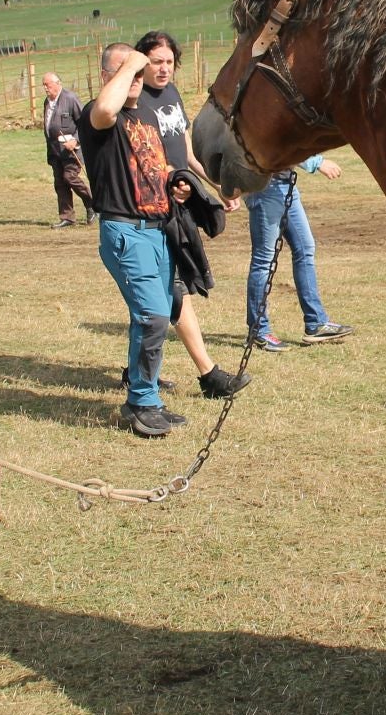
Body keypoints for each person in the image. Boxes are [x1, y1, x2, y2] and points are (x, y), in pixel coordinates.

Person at [129, 30, 249, 399]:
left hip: (179, 201)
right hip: (150, 208)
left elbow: (184, 152)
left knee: (158, 294)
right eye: (156, 62)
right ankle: (209, 374)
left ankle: (136, 372)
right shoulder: (134, 102)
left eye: (169, 62)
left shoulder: (171, 95)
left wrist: (214, 187)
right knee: (173, 290)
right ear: (140, 63)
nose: (164, 69)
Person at [78, 43, 186, 437]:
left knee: (155, 314)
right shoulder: (97, 114)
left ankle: (148, 395)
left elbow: (156, 168)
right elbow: (107, 109)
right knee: (153, 316)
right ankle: (141, 402)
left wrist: (177, 186)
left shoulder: (145, 117)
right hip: (126, 232)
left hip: (158, 231)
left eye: (140, 73)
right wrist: (133, 63)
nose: (137, 78)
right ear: (107, 76)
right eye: (127, 71)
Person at [247, 156, 354, 352]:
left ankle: (316, 324)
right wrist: (317, 163)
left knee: (305, 249)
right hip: (265, 187)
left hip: (286, 186)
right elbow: (285, 142)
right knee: (264, 260)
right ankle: (258, 331)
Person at [41, 71, 91, 228]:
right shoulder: (47, 102)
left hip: (72, 150)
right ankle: (67, 217)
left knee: (70, 177)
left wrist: (74, 139)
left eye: (47, 84)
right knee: (60, 183)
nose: (45, 88)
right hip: (55, 150)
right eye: (43, 85)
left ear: (57, 83)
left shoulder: (70, 99)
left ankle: (92, 205)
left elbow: (84, 122)